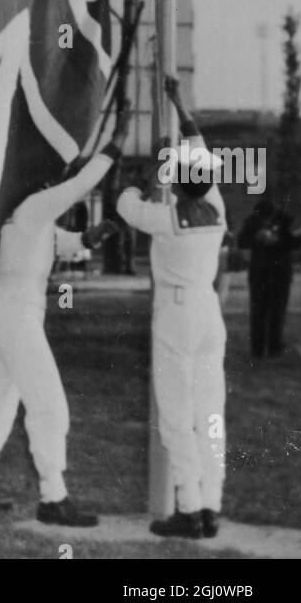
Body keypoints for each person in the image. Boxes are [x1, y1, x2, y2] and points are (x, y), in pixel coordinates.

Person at [0, 105, 131, 526]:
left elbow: (66, 242)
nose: (59, 177)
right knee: (49, 406)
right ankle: (54, 498)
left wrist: (96, 235)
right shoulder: (36, 206)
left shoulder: (30, 216)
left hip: (5, 315)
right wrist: (118, 138)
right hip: (16, 318)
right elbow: (83, 182)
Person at [116, 76, 226, 540]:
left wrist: (144, 178)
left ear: (176, 185)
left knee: (177, 416)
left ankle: (189, 508)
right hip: (209, 314)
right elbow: (199, 151)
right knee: (211, 414)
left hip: (177, 317)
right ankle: (212, 507)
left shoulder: (167, 218)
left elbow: (125, 205)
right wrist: (180, 105)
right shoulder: (217, 208)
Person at [238, 198, 301, 359]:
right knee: (258, 310)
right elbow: (241, 241)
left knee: (277, 310)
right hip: (260, 272)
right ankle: (257, 349)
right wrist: (257, 238)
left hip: (280, 271)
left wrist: (278, 241)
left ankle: (274, 346)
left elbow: (296, 242)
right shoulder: (252, 221)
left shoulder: (285, 220)